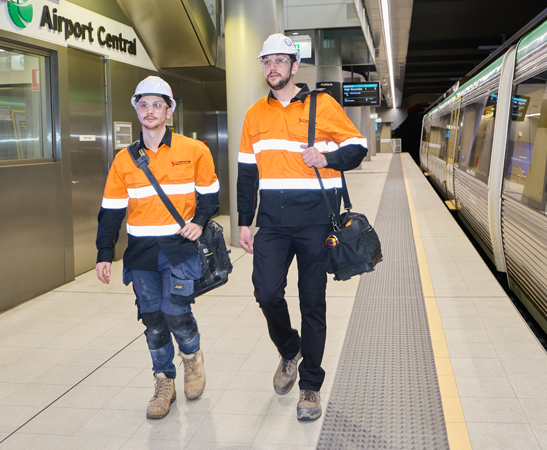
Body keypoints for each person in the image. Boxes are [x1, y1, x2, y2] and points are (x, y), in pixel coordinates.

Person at [237, 34, 367, 421]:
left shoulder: (322, 105)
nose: (272, 67)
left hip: (315, 223)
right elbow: (247, 174)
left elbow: (358, 147)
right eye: (266, 61)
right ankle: (289, 347)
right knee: (266, 293)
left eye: (280, 61)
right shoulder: (253, 115)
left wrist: (326, 156)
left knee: (313, 302)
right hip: (273, 225)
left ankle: (310, 385)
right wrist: (245, 222)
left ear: (295, 67)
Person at [95, 76, 220, 419]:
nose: (150, 110)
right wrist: (104, 253)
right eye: (143, 104)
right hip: (141, 252)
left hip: (180, 248)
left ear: (169, 111)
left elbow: (210, 197)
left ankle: (192, 358)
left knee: (176, 311)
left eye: (157, 104)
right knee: (152, 319)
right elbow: (111, 211)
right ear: (136, 109)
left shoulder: (194, 151)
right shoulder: (124, 160)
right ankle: (164, 380)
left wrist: (199, 220)